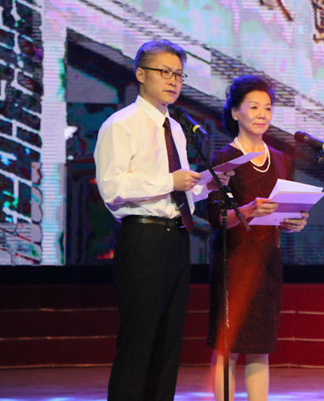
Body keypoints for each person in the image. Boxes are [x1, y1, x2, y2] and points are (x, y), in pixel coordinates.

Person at [94, 39, 231, 401]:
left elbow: (177, 192)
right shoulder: (120, 125)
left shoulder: (176, 128)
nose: (173, 81)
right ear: (141, 74)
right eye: (164, 72)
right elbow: (113, 188)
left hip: (176, 238)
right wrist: (170, 181)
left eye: (179, 75)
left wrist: (205, 184)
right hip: (143, 239)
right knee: (139, 340)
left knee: (169, 343)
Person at [206, 74, 308, 401]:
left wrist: (294, 221)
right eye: (253, 107)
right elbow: (215, 217)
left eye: (267, 107)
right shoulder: (224, 159)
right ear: (235, 112)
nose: (262, 114)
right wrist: (248, 210)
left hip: (268, 261)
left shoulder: (281, 159)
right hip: (234, 263)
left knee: (260, 348)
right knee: (229, 348)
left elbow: (284, 213)